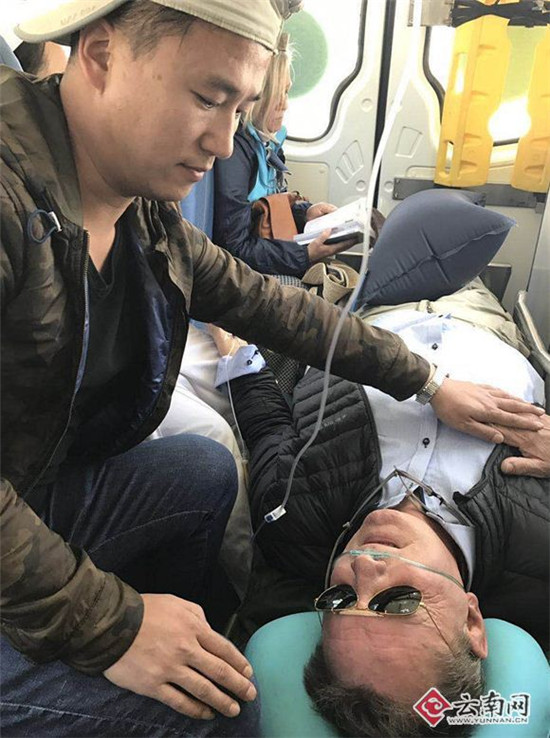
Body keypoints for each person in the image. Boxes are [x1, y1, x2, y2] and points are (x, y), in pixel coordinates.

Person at [0, 0, 544, 735]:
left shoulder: (136, 208)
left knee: (202, 474)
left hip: (27, 486)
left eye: (241, 109)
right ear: (99, 55)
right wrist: (111, 625)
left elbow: (270, 306)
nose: (225, 143)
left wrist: (428, 382)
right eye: (208, 97)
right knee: (220, 707)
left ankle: (189, 629)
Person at [208, 279, 549, 735]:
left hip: (376, 308)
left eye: (341, 599)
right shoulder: (537, 547)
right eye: (400, 601)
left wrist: (232, 345)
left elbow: (266, 424)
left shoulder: (293, 513)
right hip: (478, 314)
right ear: (471, 620)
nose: (364, 567)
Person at [213, 32, 363, 276]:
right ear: (258, 97)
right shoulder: (234, 153)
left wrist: (306, 214)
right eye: (278, 94)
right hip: (243, 272)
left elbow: (267, 208)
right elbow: (235, 249)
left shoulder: (268, 141)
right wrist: (305, 255)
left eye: (287, 92)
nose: (285, 104)